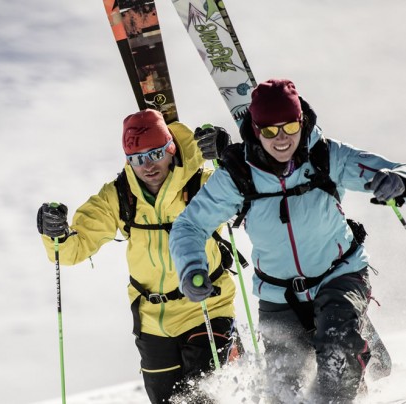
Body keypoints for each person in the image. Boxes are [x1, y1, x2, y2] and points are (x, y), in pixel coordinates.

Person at [169, 79, 406, 403]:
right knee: (285, 392)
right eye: (269, 131)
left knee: (336, 356)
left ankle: (351, 350)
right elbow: (189, 226)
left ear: (302, 121)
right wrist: (191, 266)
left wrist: (396, 180)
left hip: (340, 275)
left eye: (290, 126)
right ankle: (360, 361)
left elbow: (396, 169)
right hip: (279, 296)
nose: (282, 139)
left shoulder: (326, 155)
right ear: (255, 130)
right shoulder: (238, 174)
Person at [37, 109, 240, 403]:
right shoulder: (119, 196)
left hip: (207, 305)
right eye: (137, 158)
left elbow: (245, 193)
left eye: (156, 154)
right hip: (151, 320)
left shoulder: (200, 184)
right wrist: (54, 233)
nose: (148, 166)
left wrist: (228, 158)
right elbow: (71, 250)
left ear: (171, 149)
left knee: (206, 396)